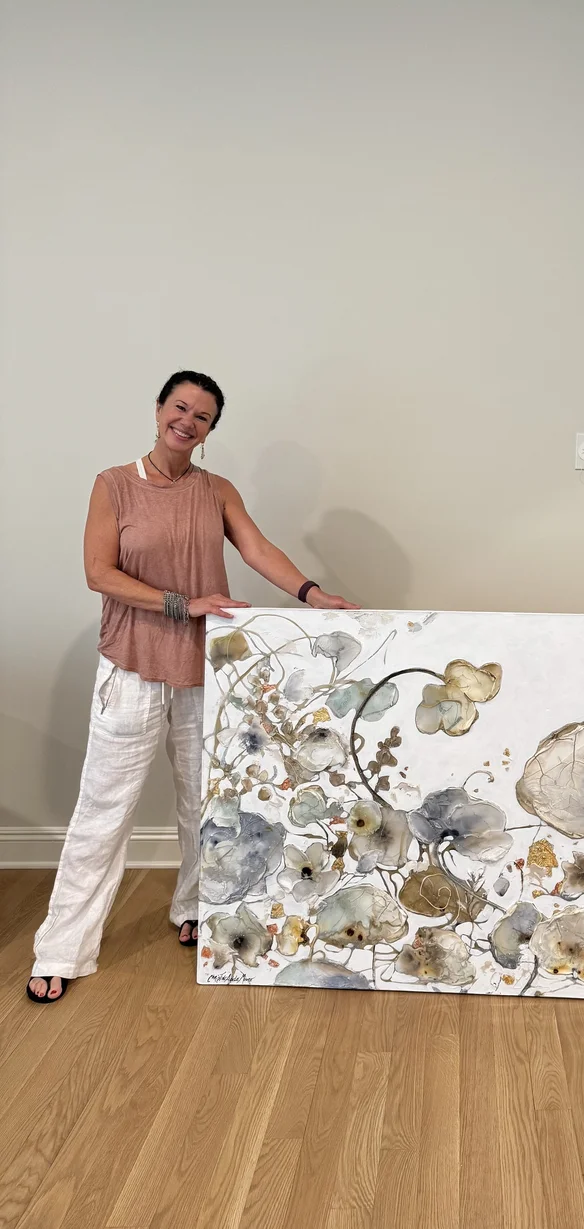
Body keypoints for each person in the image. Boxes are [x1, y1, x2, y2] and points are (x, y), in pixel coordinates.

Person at [27, 371, 358, 1003]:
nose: (187, 421)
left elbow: (257, 549)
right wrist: (183, 603)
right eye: (179, 407)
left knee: (205, 808)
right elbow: (99, 572)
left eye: (202, 416)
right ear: (159, 411)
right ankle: (61, 949)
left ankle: (194, 907)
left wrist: (313, 595)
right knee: (102, 811)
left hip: (205, 667)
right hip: (130, 665)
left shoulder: (216, 490)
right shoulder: (113, 484)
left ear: (209, 431)